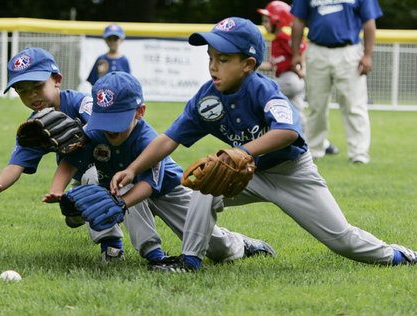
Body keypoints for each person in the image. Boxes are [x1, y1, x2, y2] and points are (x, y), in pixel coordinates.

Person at [110, 17, 417, 272]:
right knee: (208, 180)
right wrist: (133, 168)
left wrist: (241, 151)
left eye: (224, 59)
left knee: (341, 239)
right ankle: (190, 261)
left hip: (291, 173)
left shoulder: (263, 90)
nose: (213, 66)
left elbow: (287, 131)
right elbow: (168, 139)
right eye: (211, 58)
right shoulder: (207, 98)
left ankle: (398, 255)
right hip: (250, 174)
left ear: (248, 64)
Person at [44, 71, 275, 270]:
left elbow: (147, 185)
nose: (109, 130)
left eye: (117, 121)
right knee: (99, 186)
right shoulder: (93, 132)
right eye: (104, 120)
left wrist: (121, 204)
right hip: (125, 187)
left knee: (215, 247)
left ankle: (239, 243)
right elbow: (70, 161)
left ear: (139, 112)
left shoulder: (146, 140)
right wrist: (57, 190)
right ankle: (141, 253)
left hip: (167, 190)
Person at [0, 47, 128, 263]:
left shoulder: (81, 103)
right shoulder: (36, 127)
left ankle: (111, 248)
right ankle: (77, 211)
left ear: (57, 80)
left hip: (115, 166)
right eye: (22, 90)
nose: (31, 95)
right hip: (80, 175)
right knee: (78, 205)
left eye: (37, 86)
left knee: (93, 184)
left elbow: (107, 130)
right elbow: (16, 164)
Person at [291, 0, 383, 164]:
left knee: (354, 105)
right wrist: (296, 53)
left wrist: (368, 55)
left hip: (349, 51)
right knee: (316, 105)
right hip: (316, 50)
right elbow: (298, 21)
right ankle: (314, 150)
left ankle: (359, 153)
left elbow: (369, 22)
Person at [257, 1, 339, 155]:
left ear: (278, 20)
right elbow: (271, 65)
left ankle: (260, 138)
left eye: (267, 20)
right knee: (299, 115)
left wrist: (303, 68)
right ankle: (324, 144)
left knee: (261, 95)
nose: (264, 24)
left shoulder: (282, 36)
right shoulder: (277, 40)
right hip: (290, 81)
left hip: (290, 80)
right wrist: (254, 65)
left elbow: (303, 48)